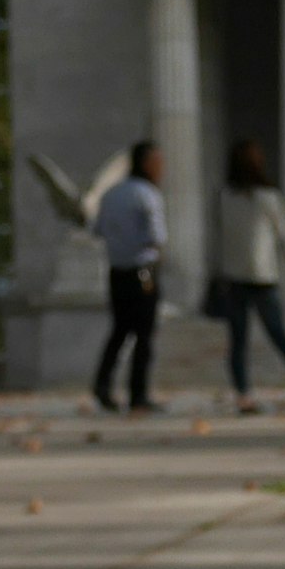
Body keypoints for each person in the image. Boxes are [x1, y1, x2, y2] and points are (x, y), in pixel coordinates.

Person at [210, 139, 285, 409]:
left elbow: (218, 237)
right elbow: (284, 233)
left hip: (233, 275)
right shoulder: (269, 197)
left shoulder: (224, 197)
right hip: (262, 275)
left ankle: (244, 393)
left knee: (238, 339)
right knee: (277, 332)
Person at [91, 138, 166, 414]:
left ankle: (103, 384)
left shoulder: (110, 195)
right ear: (146, 163)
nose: (162, 168)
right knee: (144, 335)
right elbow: (157, 237)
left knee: (119, 331)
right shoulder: (148, 195)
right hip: (143, 272)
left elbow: (97, 230)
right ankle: (138, 394)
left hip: (116, 272)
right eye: (159, 162)